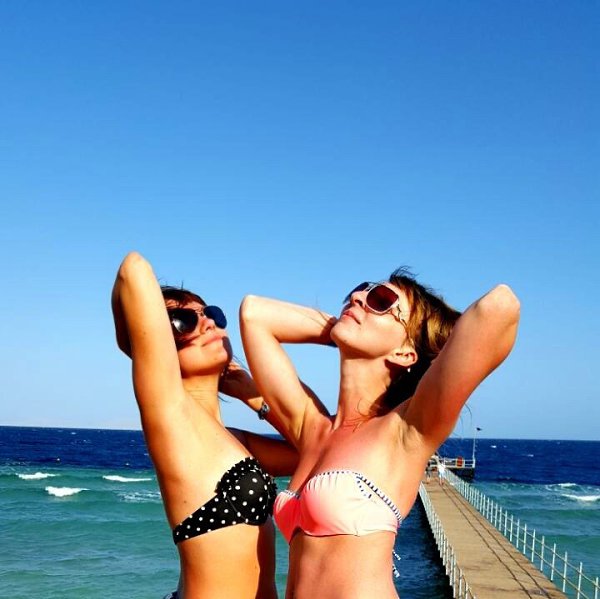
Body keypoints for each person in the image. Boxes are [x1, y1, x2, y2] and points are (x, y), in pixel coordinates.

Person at [240, 269, 520, 599]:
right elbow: (255, 314)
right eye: (360, 290)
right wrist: (342, 327)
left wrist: (432, 344)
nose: (357, 297)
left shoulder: (407, 428)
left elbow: (500, 307)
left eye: (381, 301)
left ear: (405, 353)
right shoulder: (312, 428)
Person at [111, 252, 297, 599]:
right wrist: (140, 344)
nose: (207, 323)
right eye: (182, 321)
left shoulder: (238, 442)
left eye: (209, 313)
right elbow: (132, 268)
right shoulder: (172, 415)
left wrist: (255, 396)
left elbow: (316, 451)